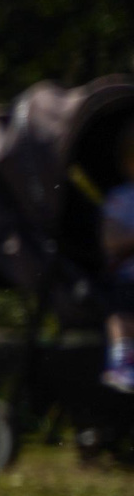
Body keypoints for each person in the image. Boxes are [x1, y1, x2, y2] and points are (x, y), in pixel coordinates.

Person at [102, 122, 134, 395]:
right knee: (120, 312)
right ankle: (123, 360)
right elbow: (111, 239)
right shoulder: (120, 199)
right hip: (128, 277)